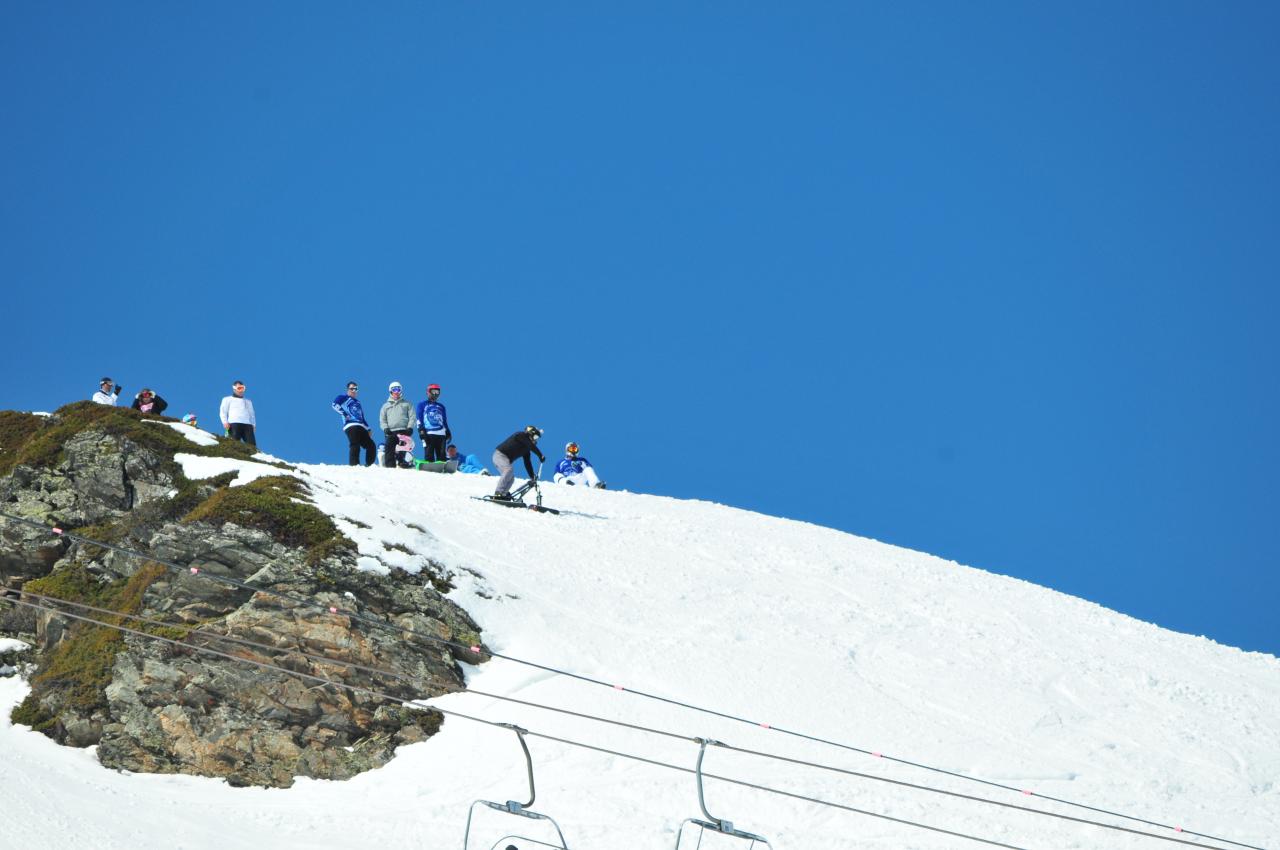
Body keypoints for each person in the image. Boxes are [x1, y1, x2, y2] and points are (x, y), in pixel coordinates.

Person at [492, 425, 545, 500]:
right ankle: (498, 493)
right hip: (500, 455)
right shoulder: (520, 435)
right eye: (535, 437)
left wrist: (532, 477)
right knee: (508, 470)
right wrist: (540, 455)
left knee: (511, 478)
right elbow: (530, 445)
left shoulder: (526, 449)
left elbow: (527, 463)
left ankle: (503, 494)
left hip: (505, 459)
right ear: (530, 433)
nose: (536, 440)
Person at [331, 381, 376, 466]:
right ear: (348, 389)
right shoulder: (343, 397)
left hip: (361, 426)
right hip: (351, 425)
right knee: (355, 444)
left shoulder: (358, 402)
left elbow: (362, 417)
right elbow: (334, 404)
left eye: (356, 389)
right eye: (352, 389)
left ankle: (370, 465)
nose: (354, 391)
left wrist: (368, 428)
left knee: (371, 445)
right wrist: (344, 414)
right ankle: (354, 465)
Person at [379, 381, 415, 469]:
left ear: (401, 390)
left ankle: (402, 462)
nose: (396, 392)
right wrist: (385, 429)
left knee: (404, 447)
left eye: (398, 389)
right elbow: (382, 420)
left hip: (403, 430)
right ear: (390, 391)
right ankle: (390, 466)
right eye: (394, 389)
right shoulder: (385, 406)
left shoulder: (407, 404)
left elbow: (412, 416)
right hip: (391, 431)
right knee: (389, 447)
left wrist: (410, 427)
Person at [415, 384, 451, 463]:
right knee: (429, 454)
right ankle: (429, 464)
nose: (435, 394)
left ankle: (442, 465)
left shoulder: (441, 406)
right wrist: (421, 430)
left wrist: (447, 431)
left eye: (437, 392)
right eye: (433, 391)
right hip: (429, 433)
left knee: (442, 455)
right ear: (428, 392)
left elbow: (444, 420)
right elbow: (419, 418)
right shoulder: (422, 405)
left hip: (441, 434)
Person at [219, 380, 257, 446]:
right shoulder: (227, 399)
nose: (241, 390)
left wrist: (253, 424)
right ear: (234, 389)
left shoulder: (248, 401)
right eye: (239, 388)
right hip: (234, 423)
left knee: (252, 445)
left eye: (242, 388)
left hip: (247, 424)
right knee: (234, 443)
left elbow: (252, 414)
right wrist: (225, 422)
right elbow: (223, 411)